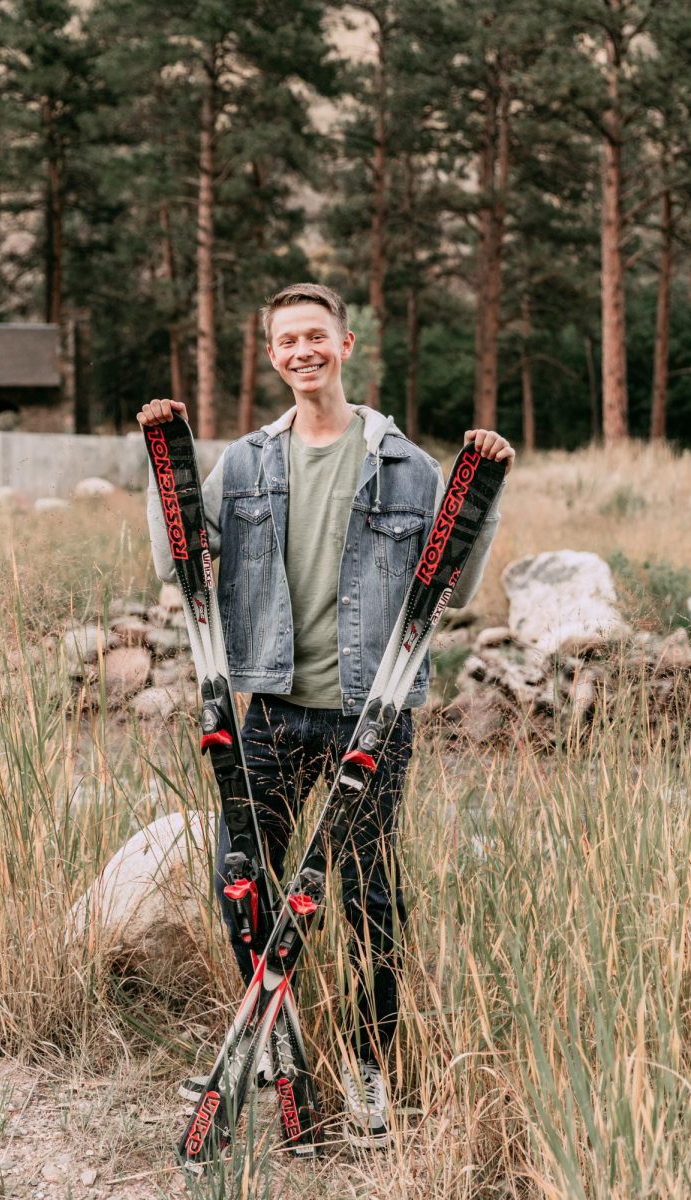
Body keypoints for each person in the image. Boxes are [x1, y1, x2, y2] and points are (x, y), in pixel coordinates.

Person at [138, 282, 513, 1146]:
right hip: (266, 709)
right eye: (285, 342)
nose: (301, 352)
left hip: (367, 714)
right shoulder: (243, 464)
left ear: (346, 345)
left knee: (371, 899)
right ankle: (280, 1055)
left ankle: (374, 1073)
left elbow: (445, 587)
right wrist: (162, 458)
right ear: (273, 357)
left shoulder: (406, 465)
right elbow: (177, 564)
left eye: (316, 337)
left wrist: (482, 487)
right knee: (246, 886)